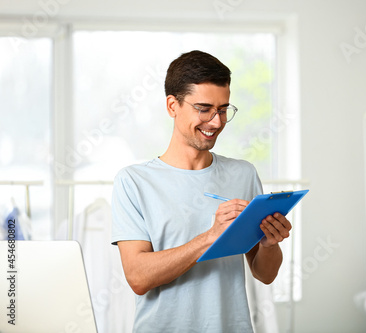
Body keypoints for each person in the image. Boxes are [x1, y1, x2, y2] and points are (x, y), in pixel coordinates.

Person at [111, 50, 292, 332]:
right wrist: (210, 237)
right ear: (172, 105)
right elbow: (137, 277)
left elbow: (265, 274)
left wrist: (270, 244)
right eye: (204, 108)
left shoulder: (243, 174)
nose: (217, 122)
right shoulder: (134, 182)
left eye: (223, 109)